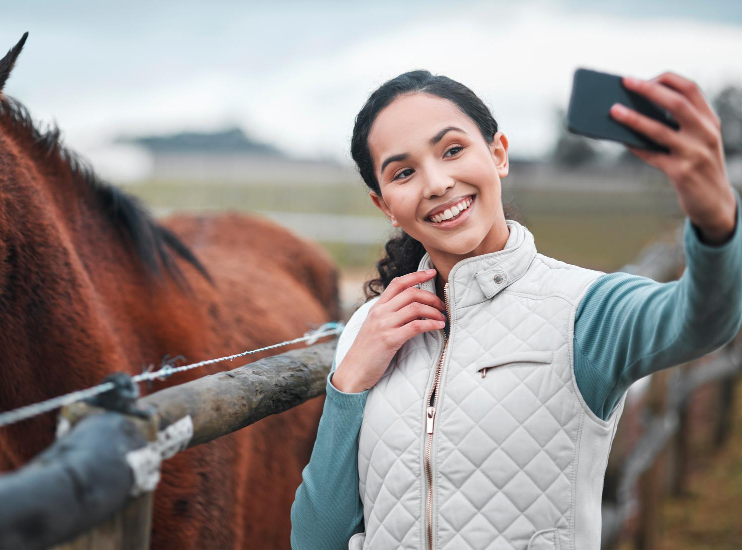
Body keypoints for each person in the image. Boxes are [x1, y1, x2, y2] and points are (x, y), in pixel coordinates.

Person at [290, 70, 741, 550]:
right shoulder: (369, 329)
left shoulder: (583, 309)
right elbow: (314, 539)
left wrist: (716, 220)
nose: (438, 183)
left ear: (498, 154)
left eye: (453, 150)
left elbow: (705, 319)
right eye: (404, 172)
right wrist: (349, 383)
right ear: (385, 205)